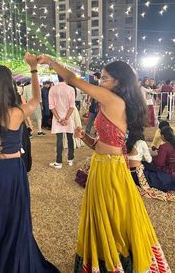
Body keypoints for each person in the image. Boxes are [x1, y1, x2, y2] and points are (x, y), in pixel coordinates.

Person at [36, 55, 171, 272]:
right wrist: (86, 138)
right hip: (105, 163)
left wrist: (50, 62)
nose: (100, 82)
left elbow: (72, 78)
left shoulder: (111, 99)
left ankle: (113, 262)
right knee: (106, 214)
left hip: (110, 168)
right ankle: (107, 258)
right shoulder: (115, 100)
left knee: (111, 215)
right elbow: (106, 143)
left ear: (118, 81)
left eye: (105, 78)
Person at [0, 55, 59, 273]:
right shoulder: (16, 113)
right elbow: (37, 99)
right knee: (13, 219)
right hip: (11, 171)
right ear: (8, 85)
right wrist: (33, 70)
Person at [127, 128, 175, 201]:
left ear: (162, 136)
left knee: (146, 167)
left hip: (169, 176)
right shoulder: (169, 145)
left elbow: (158, 163)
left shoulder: (165, 147)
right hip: (170, 173)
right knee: (146, 166)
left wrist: (156, 156)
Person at [48, 74, 75, 168]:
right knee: (70, 138)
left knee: (59, 139)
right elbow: (72, 106)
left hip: (57, 118)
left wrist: (59, 119)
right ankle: (70, 159)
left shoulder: (52, 89)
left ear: (57, 78)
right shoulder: (71, 89)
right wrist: (66, 118)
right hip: (68, 118)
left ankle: (58, 162)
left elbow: (51, 106)